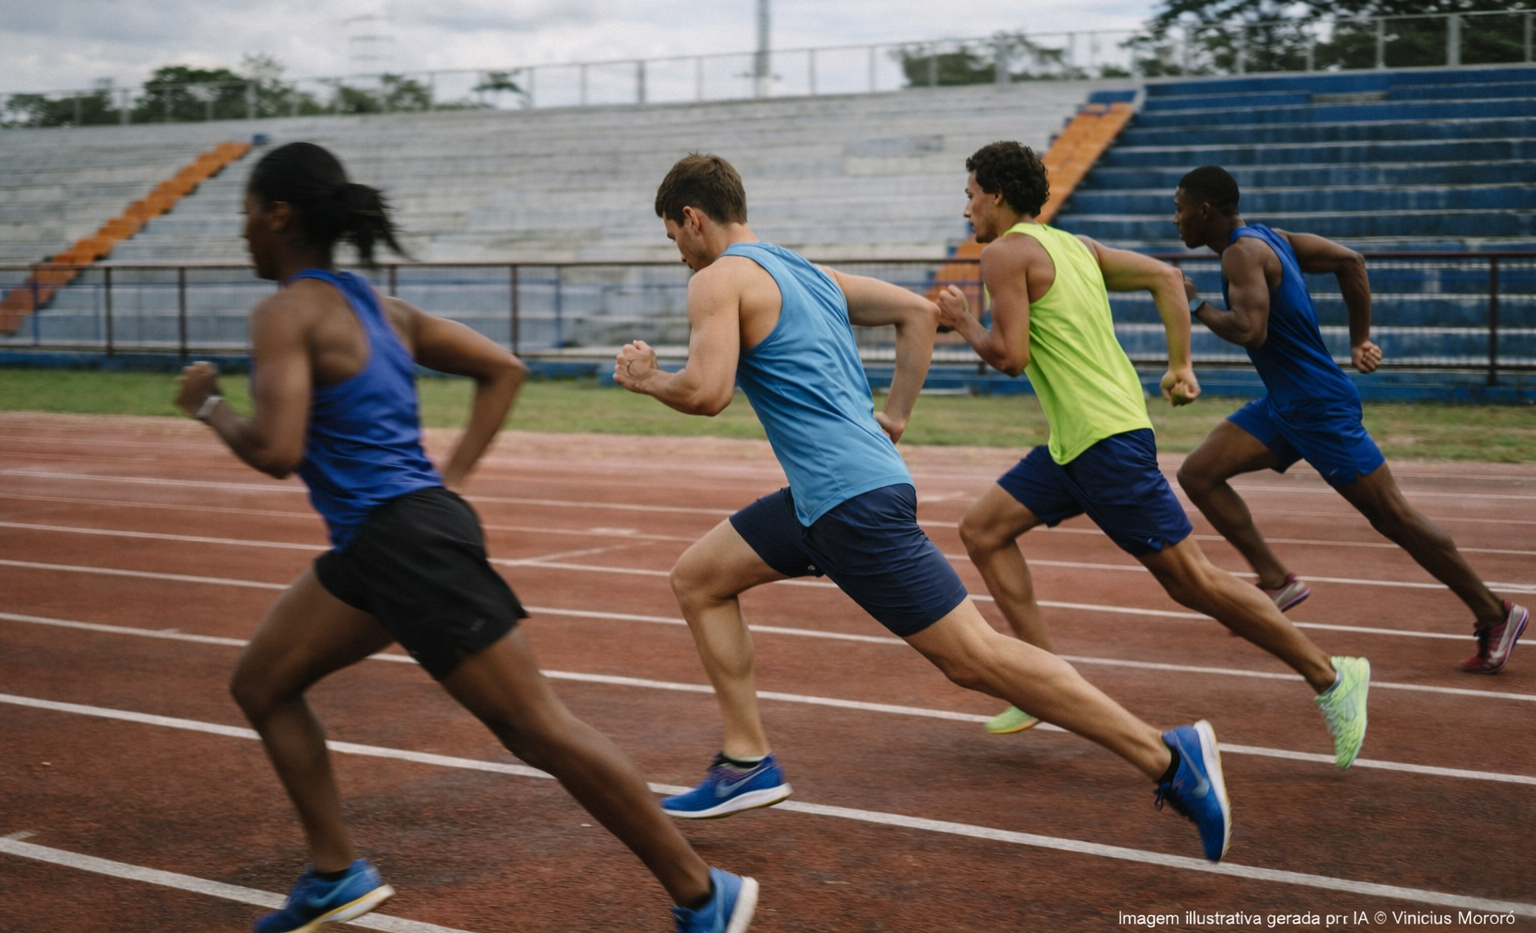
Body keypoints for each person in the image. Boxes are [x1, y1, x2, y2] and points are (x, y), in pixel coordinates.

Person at [175, 142, 756, 933]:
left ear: (278, 216)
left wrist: (210, 406)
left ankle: (702, 892)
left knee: (538, 728)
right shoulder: (378, 307)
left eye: (245, 214)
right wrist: (447, 480)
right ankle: (336, 873)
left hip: (403, 543)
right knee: (263, 683)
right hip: (380, 546)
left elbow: (277, 450)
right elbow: (503, 368)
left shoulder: (285, 311)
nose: (242, 232)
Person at [613, 152, 1233, 863]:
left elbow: (707, 392)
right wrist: (895, 417)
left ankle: (1167, 755)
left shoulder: (720, 279)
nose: (681, 257)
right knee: (699, 577)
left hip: (849, 505)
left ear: (693, 219)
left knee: (975, 658)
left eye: (674, 240)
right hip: (826, 498)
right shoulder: (805, 271)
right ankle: (746, 762)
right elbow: (916, 313)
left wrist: (649, 379)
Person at [933, 142, 1370, 770]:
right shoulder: (1075, 246)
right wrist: (1180, 365)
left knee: (1191, 580)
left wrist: (963, 320)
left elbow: (1010, 356)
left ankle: (1331, 676)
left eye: (971, 193)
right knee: (983, 529)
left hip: (1104, 442)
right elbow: (1168, 277)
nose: (966, 206)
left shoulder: (1004, 253)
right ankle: (1037, 683)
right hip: (1078, 443)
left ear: (997, 195)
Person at [1171, 164, 1528, 674]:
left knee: (1393, 517)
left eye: (1179, 208)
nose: (1175, 219)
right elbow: (1350, 261)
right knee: (1198, 474)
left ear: (1204, 210)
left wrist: (1196, 302)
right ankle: (1277, 581)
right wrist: (1359, 338)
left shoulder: (1240, 253)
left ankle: (1496, 613)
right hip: (1285, 405)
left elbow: (1250, 331)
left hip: (1317, 406)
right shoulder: (1273, 238)